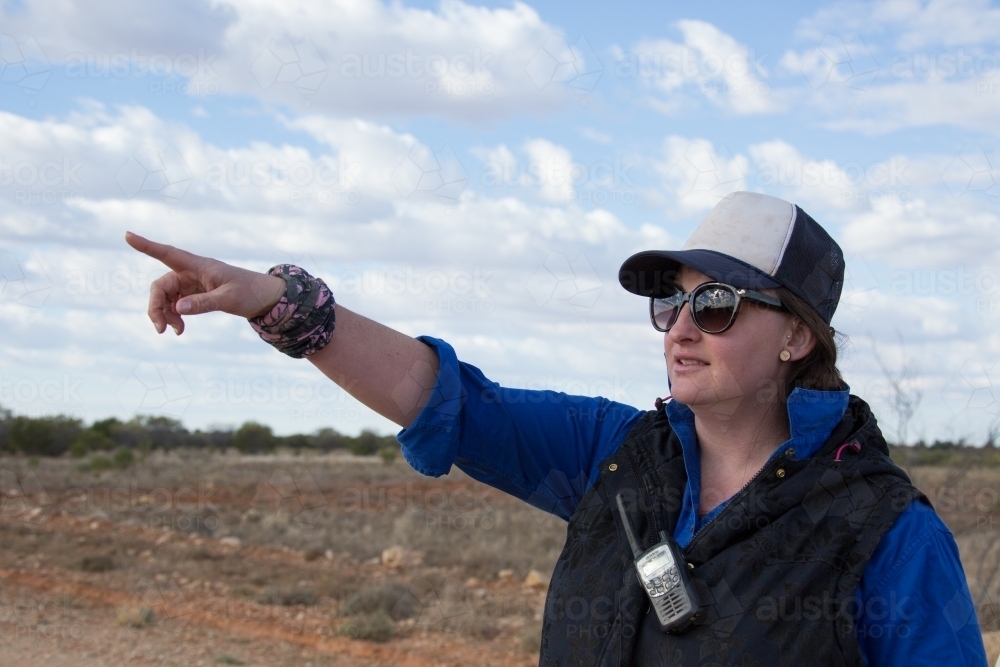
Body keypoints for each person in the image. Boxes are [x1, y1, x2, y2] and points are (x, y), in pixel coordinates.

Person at [126, 191, 987, 666]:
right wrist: (282, 304)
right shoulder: (614, 458)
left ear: (797, 336)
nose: (682, 326)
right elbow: (446, 399)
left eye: (717, 304)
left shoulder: (885, 536)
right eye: (672, 300)